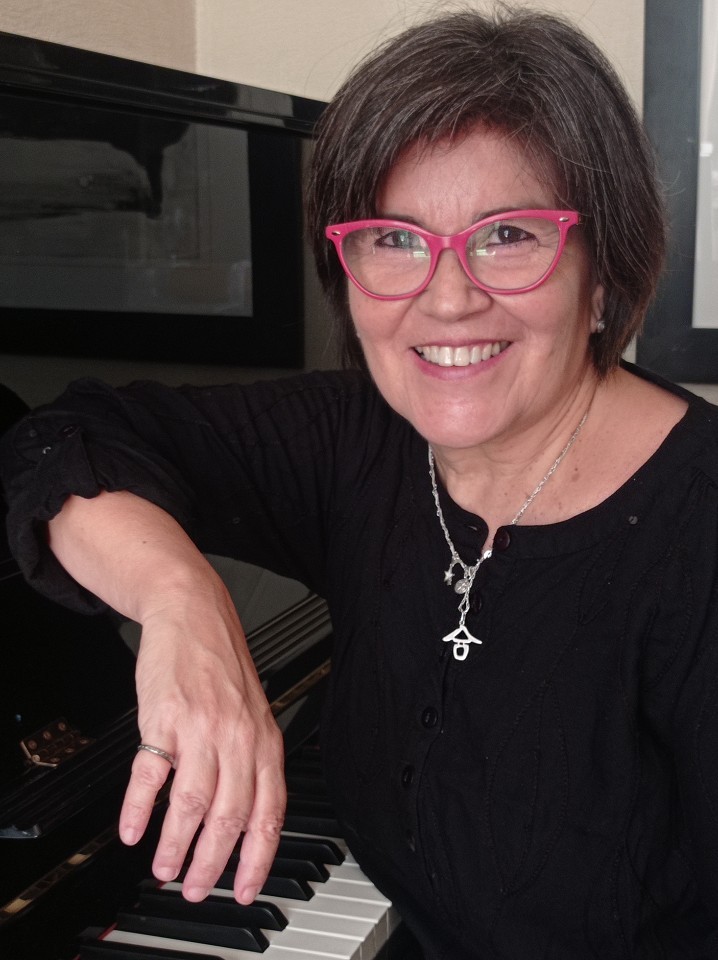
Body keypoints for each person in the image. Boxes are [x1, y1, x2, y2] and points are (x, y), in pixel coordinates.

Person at [2, 7, 717, 957]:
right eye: (395, 239)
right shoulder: (363, 435)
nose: (448, 295)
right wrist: (183, 604)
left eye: (507, 235)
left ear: (602, 272)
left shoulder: (699, 534)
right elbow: (60, 436)